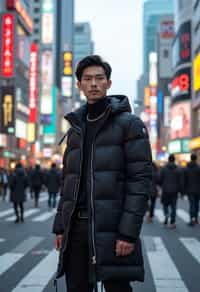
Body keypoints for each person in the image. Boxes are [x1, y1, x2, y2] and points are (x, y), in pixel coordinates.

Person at [52, 55, 152, 292]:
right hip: (76, 229)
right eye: (87, 79)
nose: (93, 84)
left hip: (112, 227)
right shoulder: (76, 128)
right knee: (76, 287)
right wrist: (60, 226)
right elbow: (68, 181)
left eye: (99, 78)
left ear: (108, 83)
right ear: (79, 85)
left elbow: (139, 182)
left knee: (117, 287)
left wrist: (128, 234)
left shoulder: (130, 124)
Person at [159, 154, 181, 229]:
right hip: (175, 191)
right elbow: (180, 181)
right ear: (174, 160)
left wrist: (161, 185)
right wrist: (180, 190)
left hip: (165, 190)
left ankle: (166, 214)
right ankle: (172, 222)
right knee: (173, 207)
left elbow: (160, 179)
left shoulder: (164, 168)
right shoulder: (178, 169)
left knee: (165, 204)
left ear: (168, 159)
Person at [184, 153, 200, 226]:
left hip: (189, 189)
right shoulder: (198, 168)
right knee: (196, 204)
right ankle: (196, 219)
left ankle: (191, 219)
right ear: (196, 159)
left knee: (191, 205)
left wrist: (183, 190)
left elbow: (184, 180)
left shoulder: (187, 168)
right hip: (198, 189)